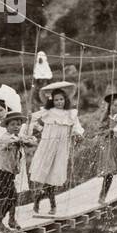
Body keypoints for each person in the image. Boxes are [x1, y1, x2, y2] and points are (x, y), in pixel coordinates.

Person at [28, 82, 84, 216]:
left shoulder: (71, 114)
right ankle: (51, 205)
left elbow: (77, 128)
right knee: (45, 175)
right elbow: (32, 119)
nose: (59, 102)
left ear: (65, 100)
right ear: (52, 100)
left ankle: (38, 199)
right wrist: (40, 129)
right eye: (57, 99)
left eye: (62, 99)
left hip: (61, 149)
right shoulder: (48, 112)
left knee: (54, 176)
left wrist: (79, 134)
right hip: (47, 147)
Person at [0, 110, 35, 232]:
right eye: (12, 125)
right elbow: (12, 141)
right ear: (7, 126)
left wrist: (27, 138)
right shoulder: (5, 137)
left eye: (18, 124)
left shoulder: (17, 136)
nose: (16, 127)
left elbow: (31, 141)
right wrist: (23, 141)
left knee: (3, 196)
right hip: (4, 172)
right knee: (10, 196)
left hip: (10, 173)